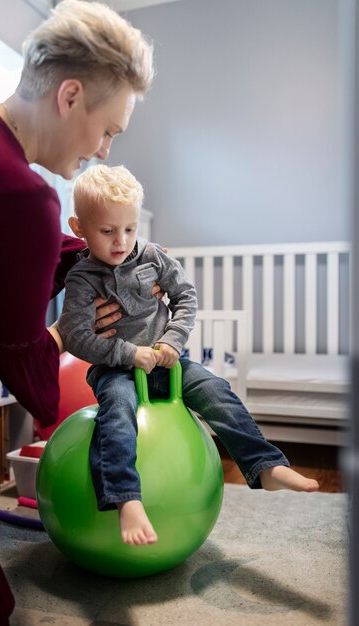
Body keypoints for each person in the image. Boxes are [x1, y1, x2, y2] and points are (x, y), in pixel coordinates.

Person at [0, 2, 154, 624]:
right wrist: (73, 330)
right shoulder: (23, 194)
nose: (104, 149)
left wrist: (110, 255)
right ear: (69, 97)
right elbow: (27, 365)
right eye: (108, 129)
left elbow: (6, 245)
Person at [57, 164, 319, 547]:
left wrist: (172, 343)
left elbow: (186, 298)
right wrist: (129, 354)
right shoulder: (81, 279)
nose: (121, 241)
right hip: (116, 371)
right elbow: (76, 337)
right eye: (107, 231)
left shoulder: (152, 256)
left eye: (129, 229)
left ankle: (266, 466)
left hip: (168, 363)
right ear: (79, 228)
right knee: (117, 412)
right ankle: (126, 499)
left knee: (217, 390)